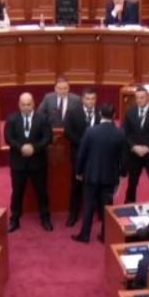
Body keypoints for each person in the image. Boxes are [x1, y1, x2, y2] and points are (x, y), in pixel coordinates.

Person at [72, 103, 125, 243]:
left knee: (89, 205)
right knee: (107, 207)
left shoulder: (90, 131)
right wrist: (122, 173)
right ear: (114, 116)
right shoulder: (120, 133)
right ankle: (105, 236)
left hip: (91, 175)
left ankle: (85, 235)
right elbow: (123, 157)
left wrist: (78, 171)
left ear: (100, 114)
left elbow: (81, 154)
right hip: (110, 176)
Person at [4, 93, 53, 232]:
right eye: (23, 105)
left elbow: (48, 138)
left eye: (29, 104)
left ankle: (45, 218)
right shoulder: (12, 119)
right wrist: (21, 148)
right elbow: (8, 138)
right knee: (17, 192)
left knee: (42, 192)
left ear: (33, 104)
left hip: (38, 163)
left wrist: (34, 148)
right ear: (19, 105)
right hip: (18, 164)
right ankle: (14, 219)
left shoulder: (42, 119)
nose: (26, 107)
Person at [62, 88, 98, 227]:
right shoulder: (73, 112)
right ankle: (73, 214)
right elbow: (68, 132)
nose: (90, 102)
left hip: (96, 155)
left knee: (96, 184)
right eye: (88, 99)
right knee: (76, 186)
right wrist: (84, 144)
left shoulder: (100, 113)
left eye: (93, 99)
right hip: (79, 155)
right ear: (82, 99)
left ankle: (99, 212)